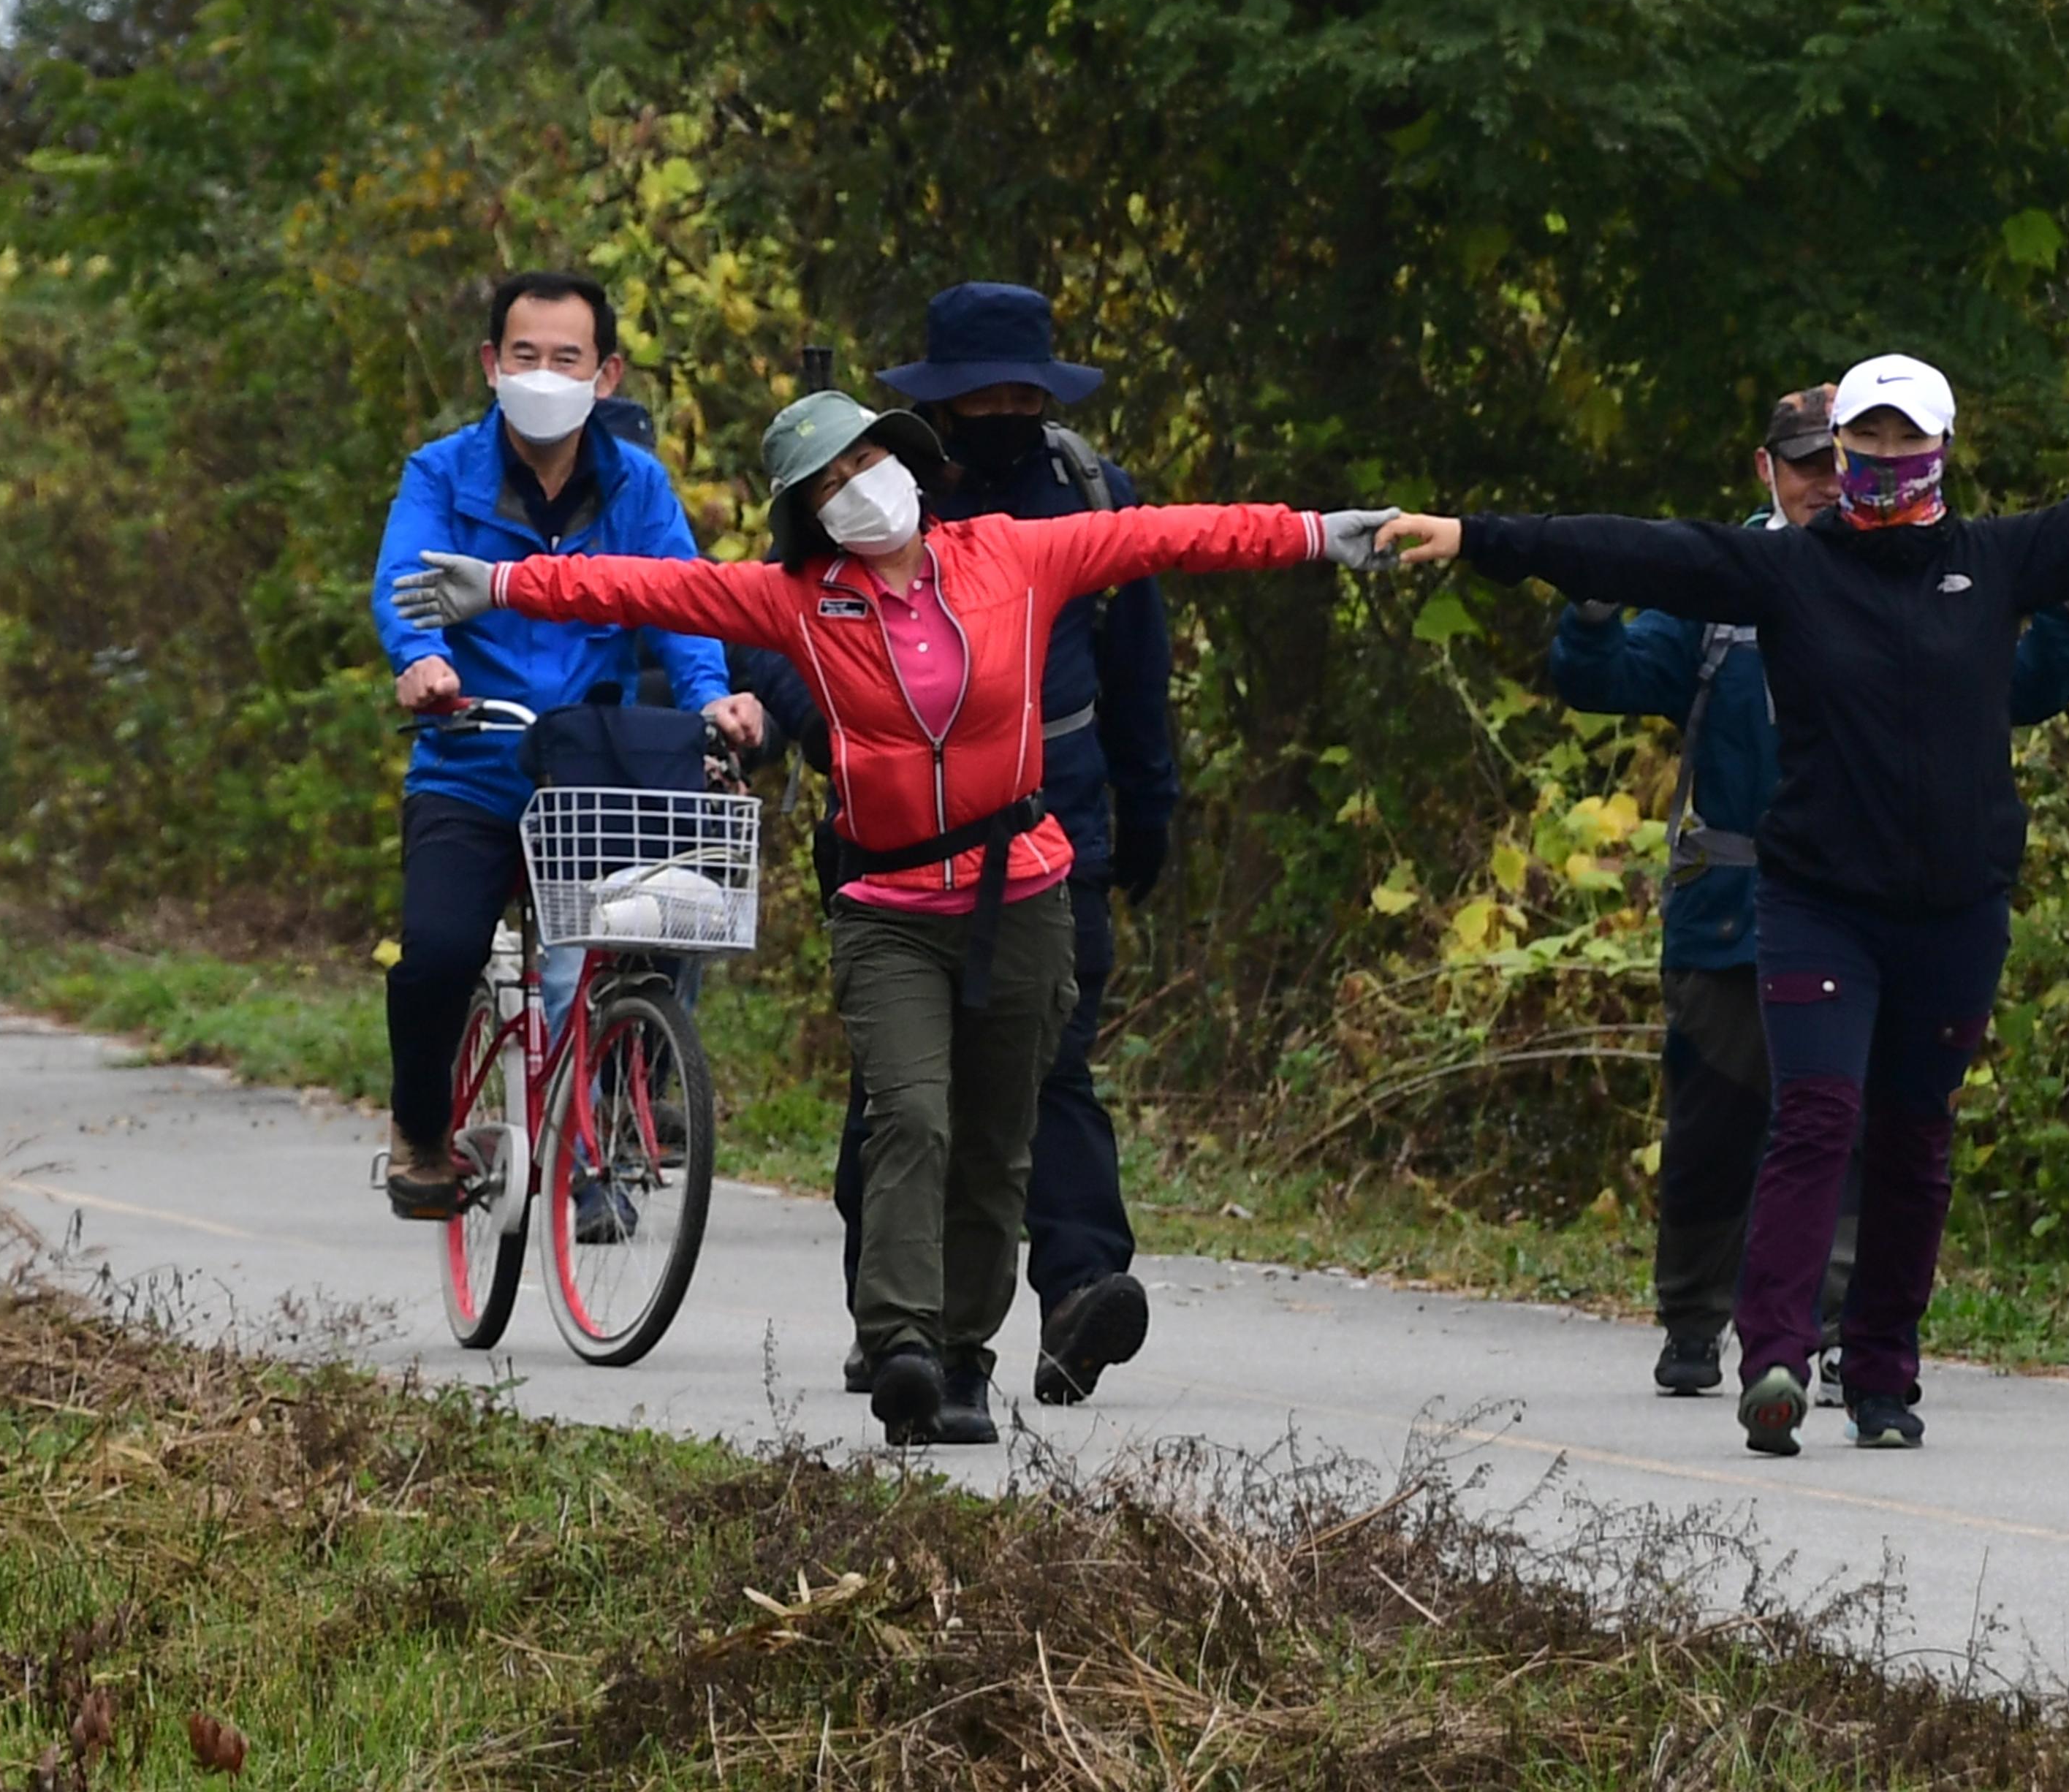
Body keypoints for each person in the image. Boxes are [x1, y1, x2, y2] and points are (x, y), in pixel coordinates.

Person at [1378, 354, 2069, 1456]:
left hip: (1956, 910)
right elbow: (1637, 548)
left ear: (1941, 454)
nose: (1879, 466)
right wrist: (1482, 537)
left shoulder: (2000, 562)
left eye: (1902, 447)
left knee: (1913, 1139)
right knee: (1816, 1118)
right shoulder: (1790, 575)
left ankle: (1882, 1383)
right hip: (1820, 901)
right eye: (1863, 448)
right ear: (1840, 456)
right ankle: (1772, 1358)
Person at [391, 389, 1395, 1446]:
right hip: (888, 906)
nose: (857, 489)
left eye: (865, 460)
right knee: (911, 1118)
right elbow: (657, 586)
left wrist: (1321, 535)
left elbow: (1172, 534)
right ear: (809, 515)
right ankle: (903, 1347)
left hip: (1022, 894)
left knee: (998, 1144)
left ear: (906, 461)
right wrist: (502, 581)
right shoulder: (798, 600)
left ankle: (965, 1357)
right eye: (829, 484)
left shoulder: (1015, 555)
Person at [1548, 383, 2069, 1397]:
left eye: (1829, 461)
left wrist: (2061, 626)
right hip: (1729, 911)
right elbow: (1605, 677)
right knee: (1716, 1124)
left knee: (1843, 1124)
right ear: (1770, 469)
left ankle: (1834, 1334)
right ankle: (1691, 1316)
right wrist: (1587, 613)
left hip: (1869, 906)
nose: (1818, 480)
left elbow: (2012, 696)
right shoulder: (1724, 593)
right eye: (1801, 462)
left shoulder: (1925, 576)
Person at [805, 283, 1179, 1408]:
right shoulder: (869, 501)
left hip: (1054, 836)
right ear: (939, 400)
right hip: (896, 848)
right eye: (983, 394)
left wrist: (1149, 806)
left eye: (1026, 390)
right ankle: (897, 1324)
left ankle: (1077, 1293)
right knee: (905, 1096)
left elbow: (1139, 668)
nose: (1006, 409)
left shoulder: (1087, 496)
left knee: (1045, 1069)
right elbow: (784, 632)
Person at [369, 270, 764, 1223]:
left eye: (567, 358)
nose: (543, 373)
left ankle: (604, 1141)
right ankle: (423, 1133)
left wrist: (715, 702)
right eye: (524, 355)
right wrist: (422, 663)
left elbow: (684, 607)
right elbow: (405, 587)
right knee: (435, 957)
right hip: (472, 760)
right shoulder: (441, 472)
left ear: (607, 373)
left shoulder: (639, 487)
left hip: (595, 769)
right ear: (490, 364)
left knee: (646, 941)